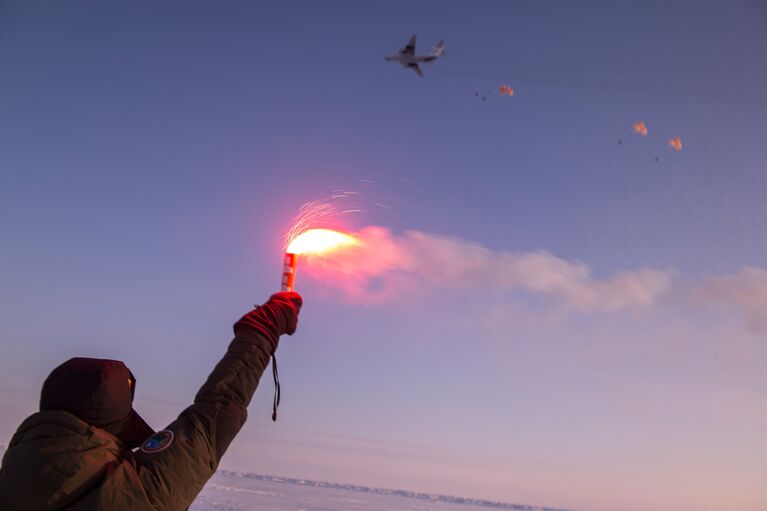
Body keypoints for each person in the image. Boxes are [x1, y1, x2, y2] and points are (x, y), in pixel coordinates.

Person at [0, 291, 302, 510]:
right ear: (112, 421)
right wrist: (261, 331)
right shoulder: (139, 491)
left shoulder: (11, 477)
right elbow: (218, 409)